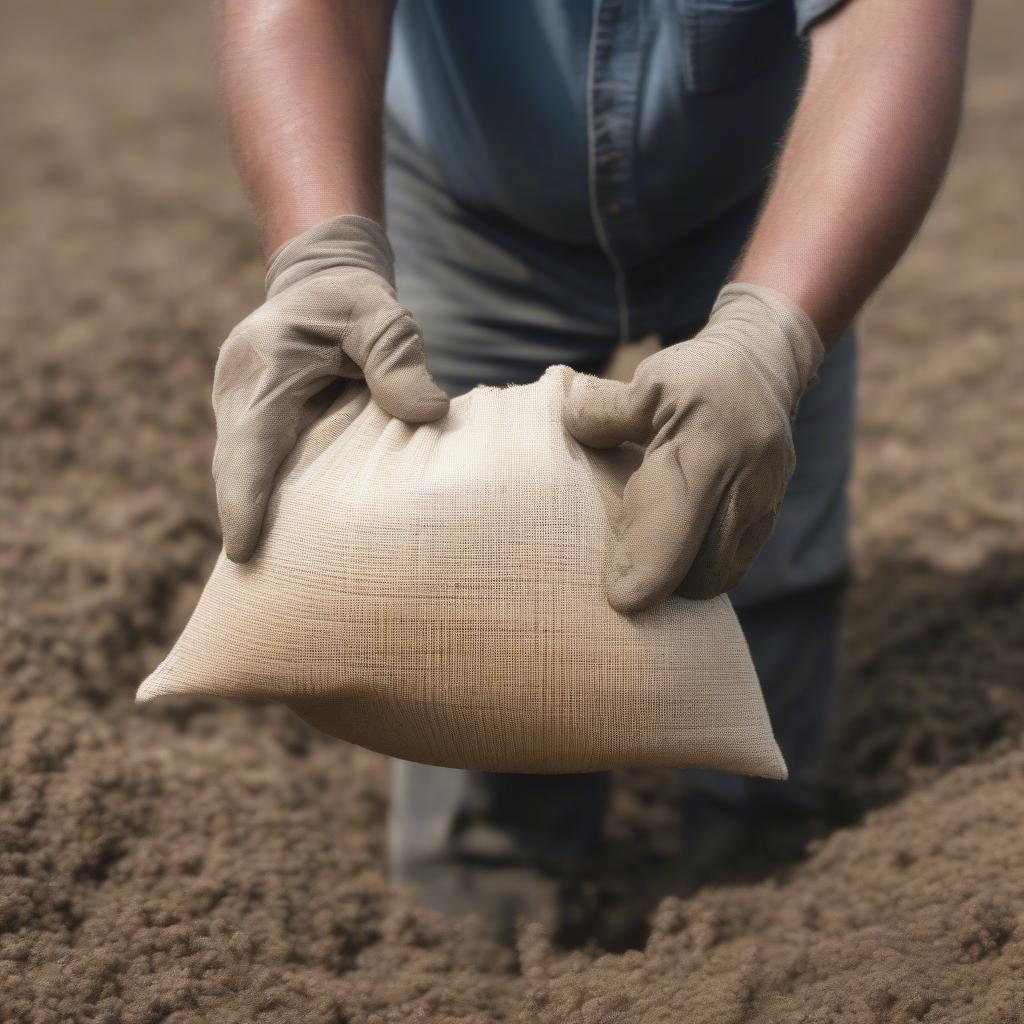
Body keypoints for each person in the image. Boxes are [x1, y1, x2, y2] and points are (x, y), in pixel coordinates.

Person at [212, 0, 972, 938]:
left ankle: (756, 879)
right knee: (453, 566)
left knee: (755, 535)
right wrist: (321, 258)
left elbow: (892, 30)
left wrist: (769, 338)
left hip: (774, 196)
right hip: (474, 203)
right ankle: (482, 897)